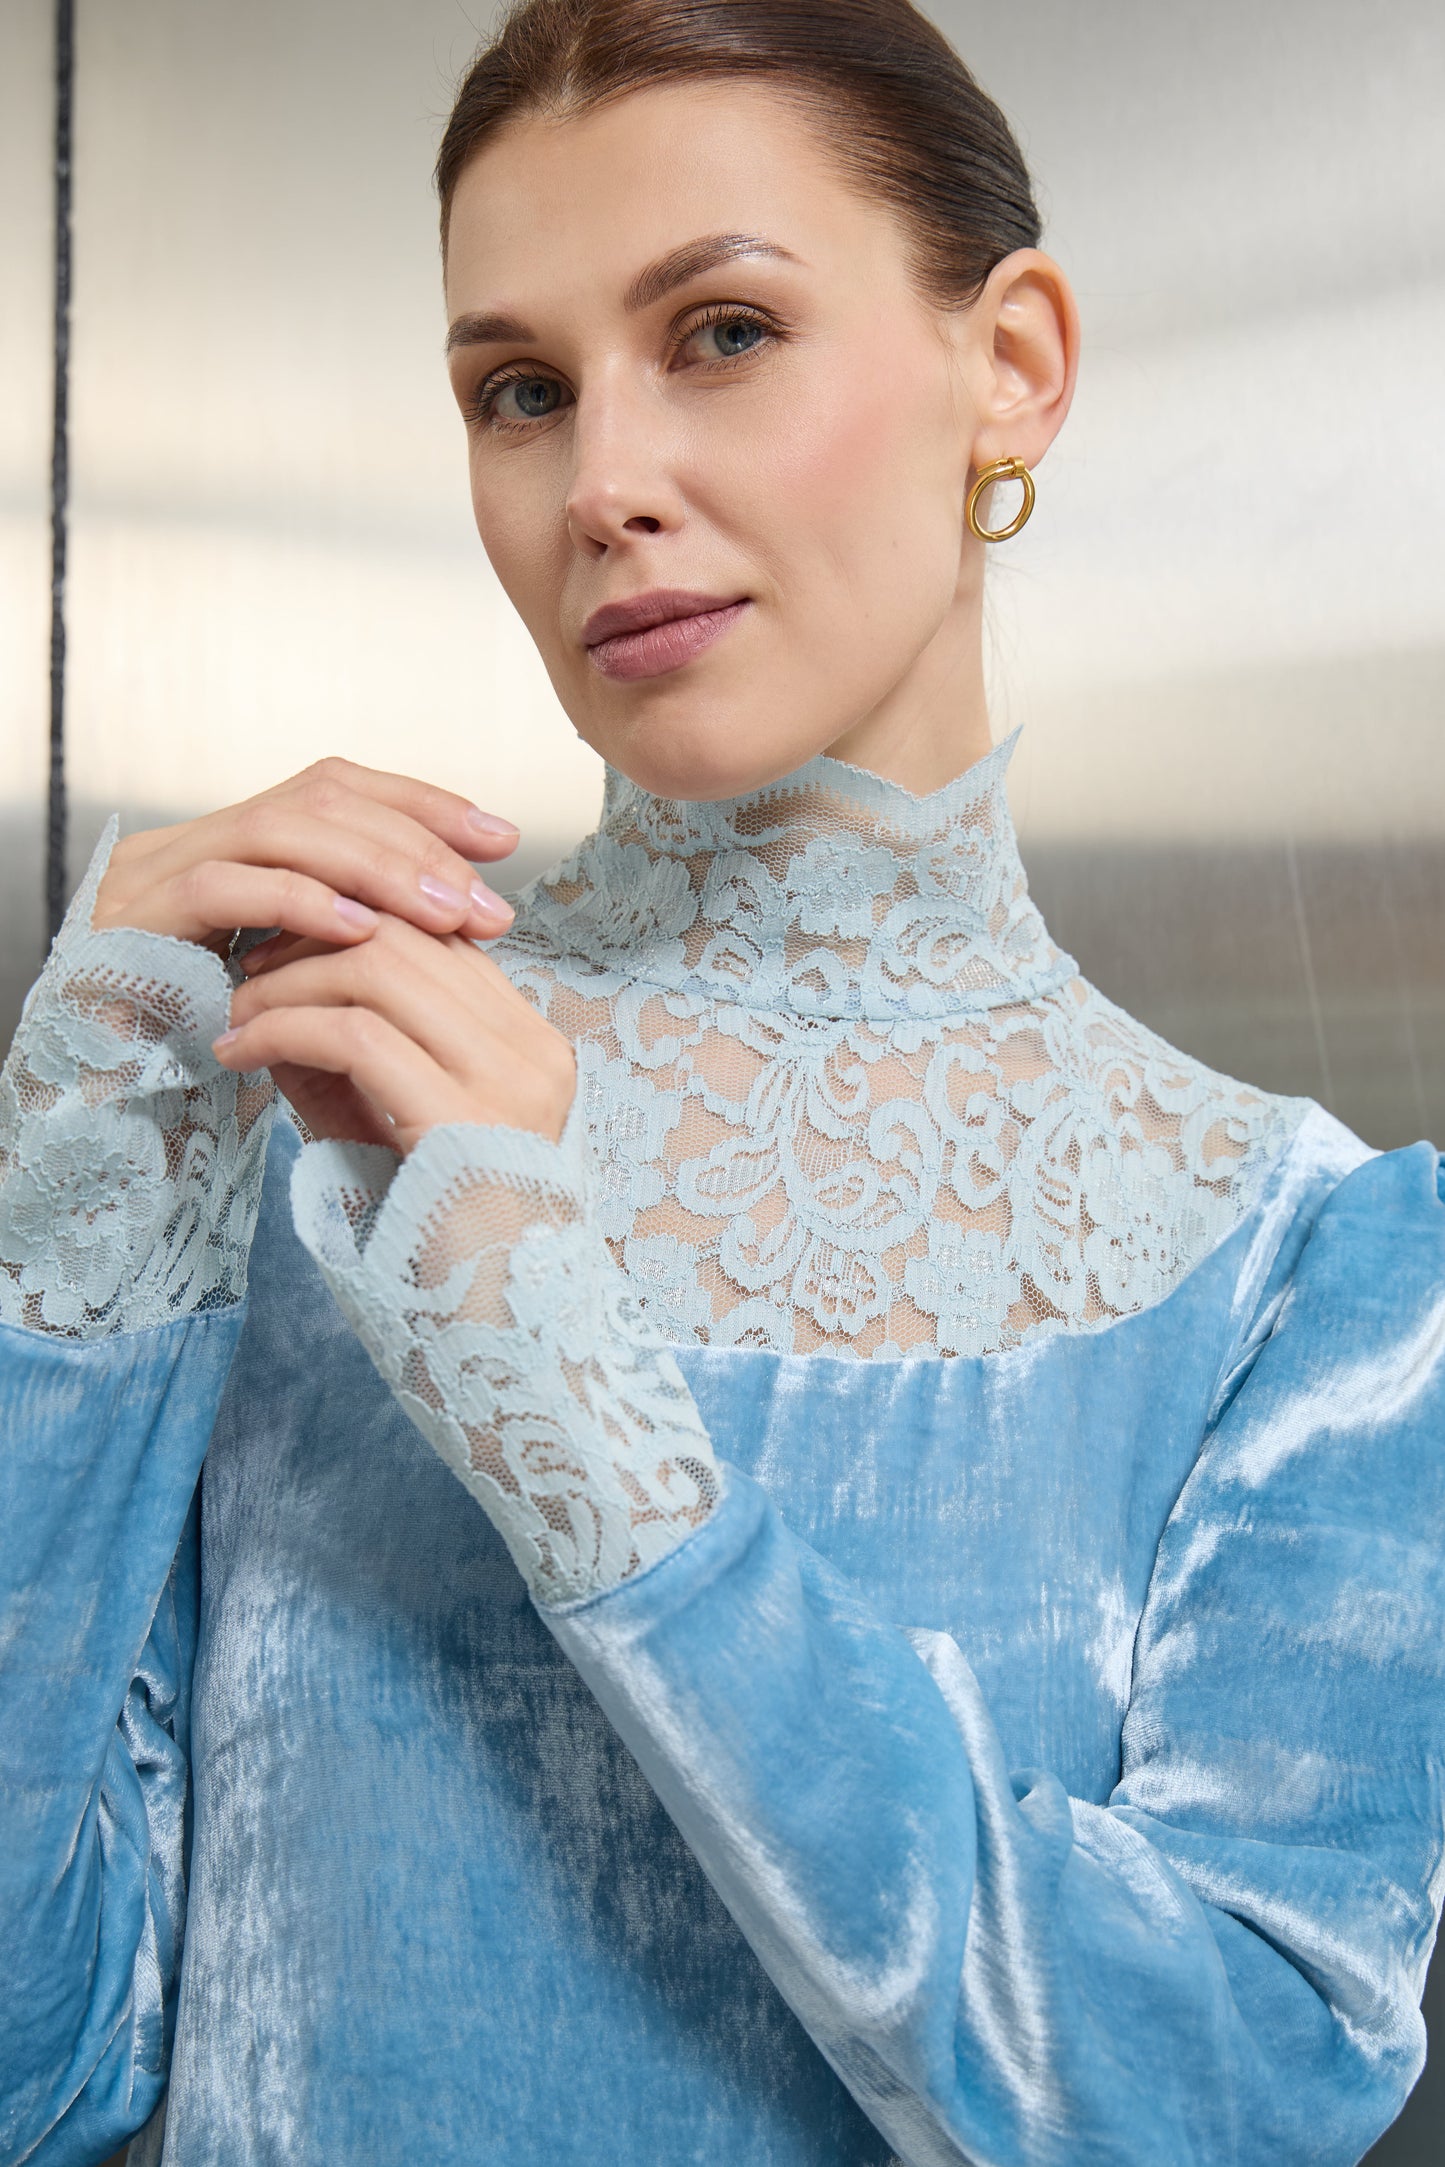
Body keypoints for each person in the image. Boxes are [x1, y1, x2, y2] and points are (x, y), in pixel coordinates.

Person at [2, 1, 1442, 2160]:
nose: (602, 484)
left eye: (728, 330)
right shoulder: (318, 1116)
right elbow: (47, 2067)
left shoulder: (1312, 1266)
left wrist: (595, 1434)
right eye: (518, 389)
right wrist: (67, 1267)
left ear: (1014, 359)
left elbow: (1219, 2102)